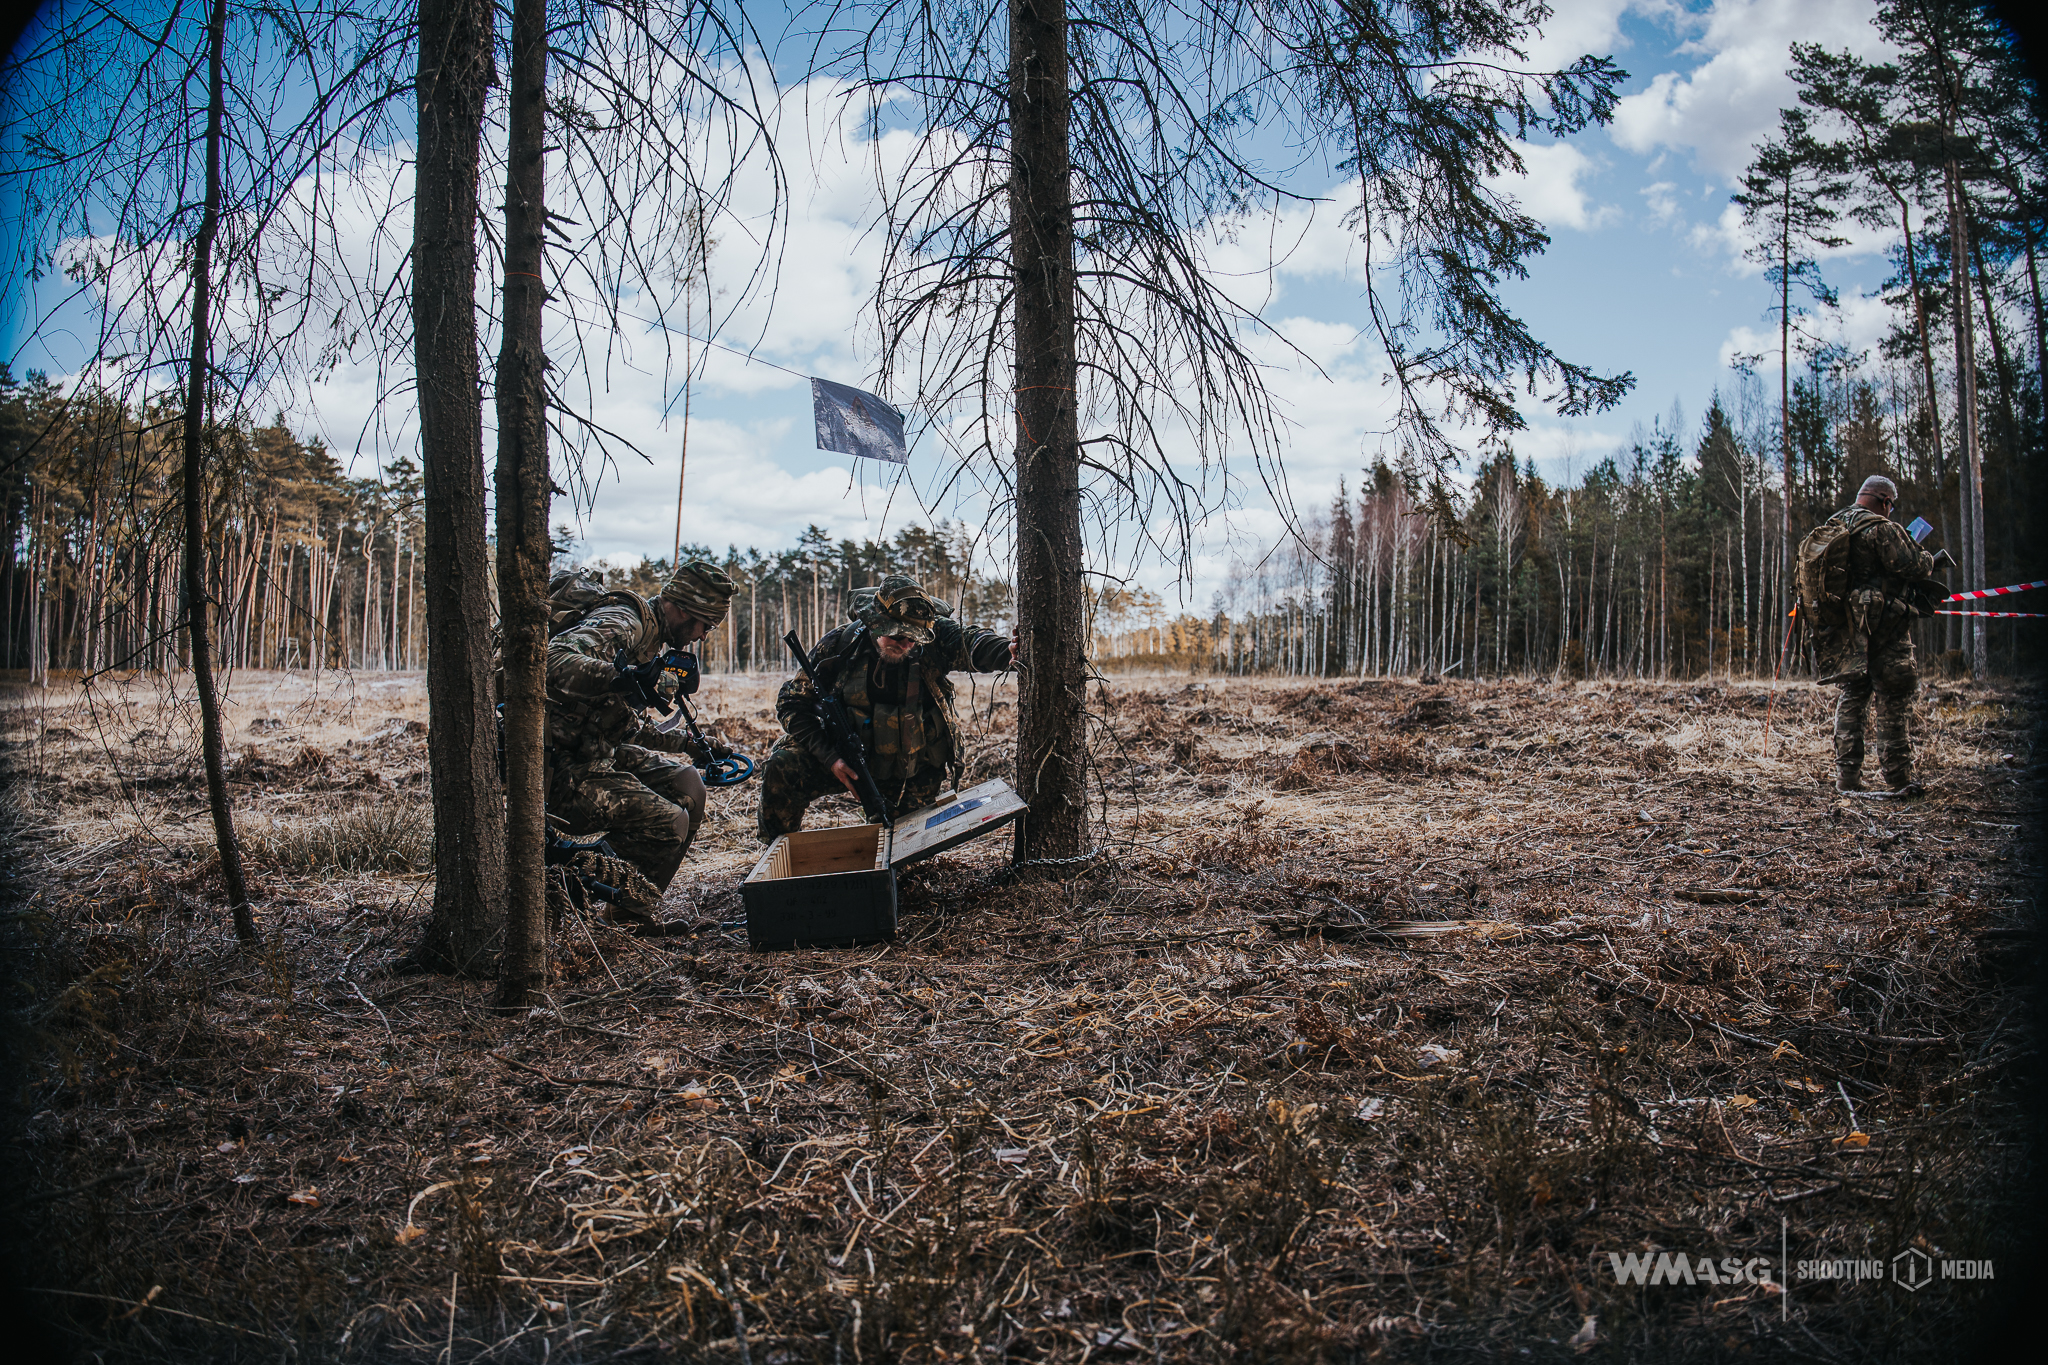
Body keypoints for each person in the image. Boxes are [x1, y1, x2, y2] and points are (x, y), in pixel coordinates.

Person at [759, 574, 1014, 841]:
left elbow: (972, 642)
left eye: (913, 639)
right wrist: (830, 758)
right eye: (898, 635)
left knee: (904, 850)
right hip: (845, 757)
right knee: (783, 765)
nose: (905, 645)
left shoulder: (934, 636)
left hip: (912, 768)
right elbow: (792, 702)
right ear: (876, 624)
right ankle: (777, 859)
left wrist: (1008, 651)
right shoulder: (840, 645)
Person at [544, 560, 738, 897]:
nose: (704, 637)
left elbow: (622, 724)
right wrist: (623, 677)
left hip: (597, 750)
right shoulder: (625, 623)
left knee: (689, 783)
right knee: (670, 822)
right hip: (559, 768)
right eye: (705, 625)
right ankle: (569, 874)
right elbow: (552, 660)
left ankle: (632, 913)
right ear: (680, 609)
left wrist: (689, 743)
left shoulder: (651, 641)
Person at [1812, 475, 1937, 794]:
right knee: (1893, 698)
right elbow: (1916, 567)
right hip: (1886, 628)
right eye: (1890, 505)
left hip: (1845, 630)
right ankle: (1898, 780)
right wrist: (1921, 552)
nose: (1891, 511)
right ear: (1884, 501)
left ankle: (1847, 779)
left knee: (1852, 696)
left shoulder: (1834, 523)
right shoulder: (1884, 529)